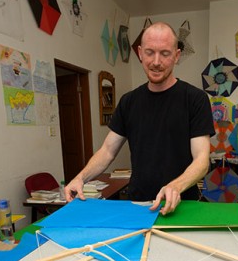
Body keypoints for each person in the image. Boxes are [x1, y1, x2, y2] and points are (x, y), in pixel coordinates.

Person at [64, 21, 214, 215]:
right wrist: (80, 178)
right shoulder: (128, 102)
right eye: (150, 52)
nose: (156, 62)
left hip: (182, 205)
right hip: (138, 205)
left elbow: (202, 160)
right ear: (140, 53)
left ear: (176, 56)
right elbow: (107, 151)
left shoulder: (195, 99)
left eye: (165, 53)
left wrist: (176, 186)